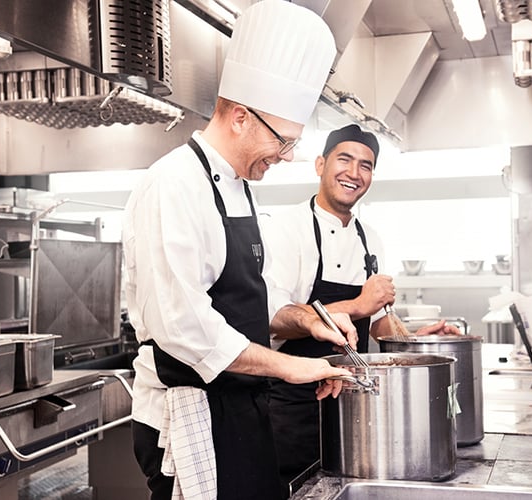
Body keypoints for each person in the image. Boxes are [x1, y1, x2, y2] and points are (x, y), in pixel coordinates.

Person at [121, 2, 356, 499]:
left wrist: (308, 320)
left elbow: (247, 303)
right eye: (284, 141)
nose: (287, 156)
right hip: (189, 412)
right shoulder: (173, 184)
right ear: (241, 117)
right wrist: (290, 366)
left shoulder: (240, 186)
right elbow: (183, 325)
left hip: (241, 403)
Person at [262, 124, 460, 493]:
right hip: (293, 405)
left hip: (353, 404)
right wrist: (357, 304)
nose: (354, 173)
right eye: (344, 160)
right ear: (320, 164)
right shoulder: (285, 229)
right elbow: (273, 321)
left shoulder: (371, 238)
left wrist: (415, 342)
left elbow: (378, 323)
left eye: (366, 165)